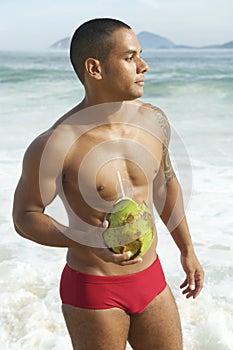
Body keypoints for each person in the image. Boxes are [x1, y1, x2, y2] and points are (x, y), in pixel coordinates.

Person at [13, 18, 204, 350]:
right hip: (94, 289)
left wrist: (186, 250)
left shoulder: (154, 121)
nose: (144, 66)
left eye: (140, 55)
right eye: (130, 58)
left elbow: (164, 185)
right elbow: (25, 216)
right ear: (95, 68)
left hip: (152, 279)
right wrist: (86, 238)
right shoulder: (56, 144)